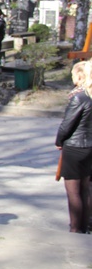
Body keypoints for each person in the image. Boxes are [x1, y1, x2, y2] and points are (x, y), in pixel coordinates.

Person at [55, 61, 92, 234]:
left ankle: (76, 229)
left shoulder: (79, 97)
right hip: (90, 146)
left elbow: (66, 125)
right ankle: (85, 226)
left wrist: (59, 141)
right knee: (85, 190)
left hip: (76, 147)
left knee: (73, 191)